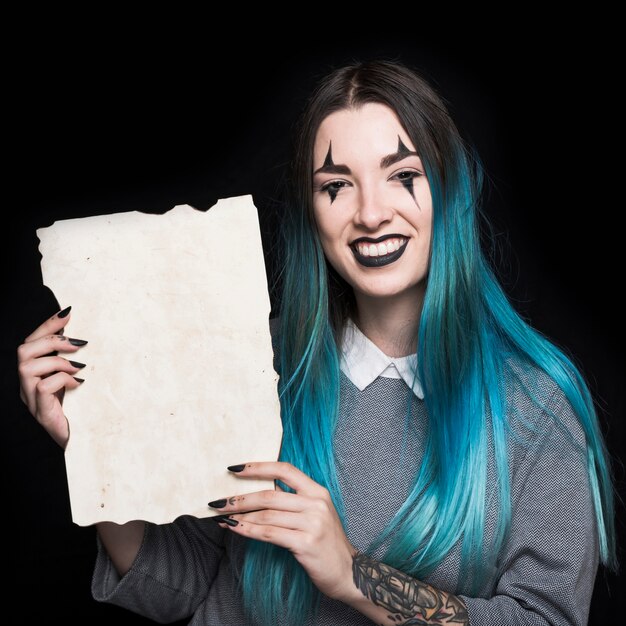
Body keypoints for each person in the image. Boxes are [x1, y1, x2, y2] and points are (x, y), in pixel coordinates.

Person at [17, 60, 616, 625]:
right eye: (337, 186)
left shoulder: (534, 409)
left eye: (403, 176)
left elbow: (545, 618)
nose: (371, 213)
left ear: (448, 190)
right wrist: (93, 445)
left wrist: (353, 575)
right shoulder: (256, 365)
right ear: (313, 212)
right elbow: (185, 587)